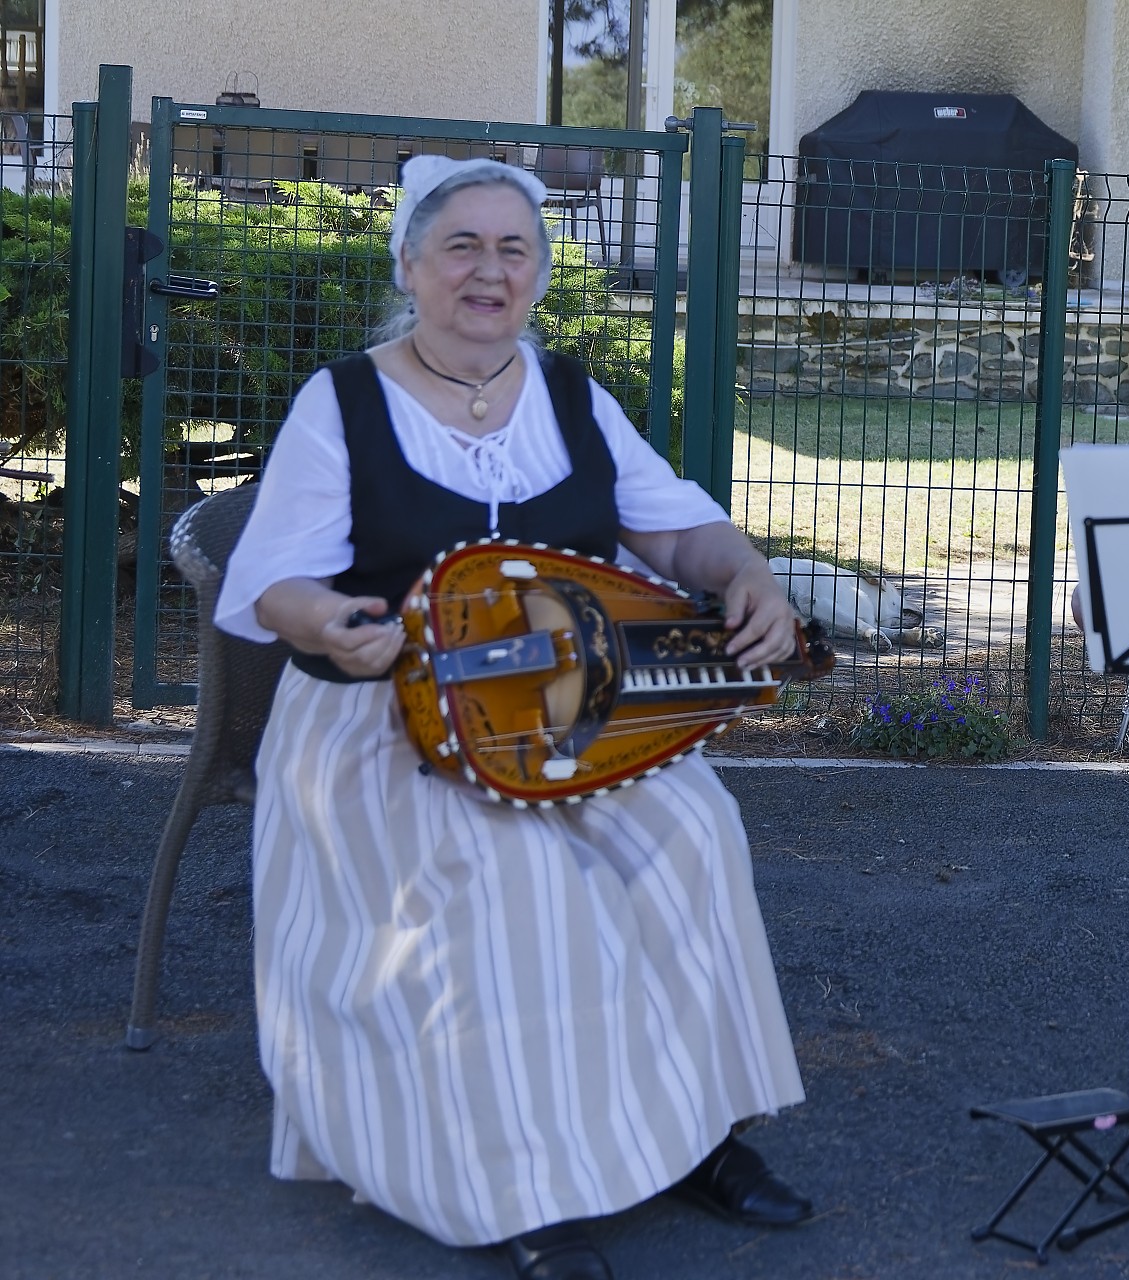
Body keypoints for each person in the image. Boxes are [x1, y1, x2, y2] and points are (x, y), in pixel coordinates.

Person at [215, 156, 811, 1280]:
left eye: (514, 249)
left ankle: (697, 1132)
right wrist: (333, 621)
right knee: (506, 879)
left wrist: (751, 574)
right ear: (411, 264)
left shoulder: (574, 396)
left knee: (695, 831)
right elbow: (273, 583)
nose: (489, 271)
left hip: (564, 713)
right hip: (381, 722)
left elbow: (677, 533)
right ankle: (522, 1181)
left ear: (539, 274)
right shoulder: (343, 401)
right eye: (462, 246)